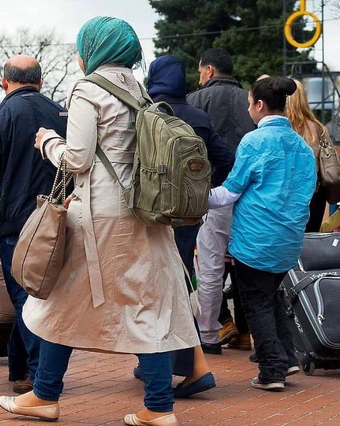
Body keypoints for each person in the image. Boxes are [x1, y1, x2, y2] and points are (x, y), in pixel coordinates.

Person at [0, 17, 198, 425]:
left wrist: (47, 141)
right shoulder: (138, 90)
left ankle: (45, 395)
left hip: (100, 218)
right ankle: (158, 407)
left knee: (57, 304)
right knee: (148, 308)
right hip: (146, 213)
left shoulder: (87, 89)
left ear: (94, 48)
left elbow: (78, 159)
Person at [0, 55, 68, 394]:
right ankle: (21, 371)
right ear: (40, 81)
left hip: (14, 222)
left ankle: (41, 380)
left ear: (5, 81)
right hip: (59, 218)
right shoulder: (62, 114)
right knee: (49, 296)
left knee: (25, 297)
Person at [136, 54, 236, 397]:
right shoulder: (197, 116)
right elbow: (225, 160)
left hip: (150, 214)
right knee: (176, 282)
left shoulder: (146, 115)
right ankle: (163, 360)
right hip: (188, 216)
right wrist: (203, 193)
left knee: (153, 288)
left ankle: (178, 363)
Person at [207, 77, 316, 391]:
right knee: (273, 297)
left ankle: (271, 370)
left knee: (257, 303)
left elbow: (230, 192)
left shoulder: (254, 142)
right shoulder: (301, 145)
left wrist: (199, 198)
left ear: (259, 105)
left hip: (256, 237)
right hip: (289, 238)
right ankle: (288, 357)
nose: (248, 109)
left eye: (249, 103)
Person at [187, 48, 256, 355]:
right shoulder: (252, 102)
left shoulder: (194, 102)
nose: (200, 78)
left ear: (210, 71)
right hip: (251, 197)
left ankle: (209, 335)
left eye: (201, 72)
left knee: (211, 267)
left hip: (213, 195)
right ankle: (247, 333)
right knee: (249, 266)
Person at [285, 79, 329, 232]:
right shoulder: (318, 128)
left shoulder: (282, 127)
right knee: (311, 241)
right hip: (315, 194)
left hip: (287, 194)